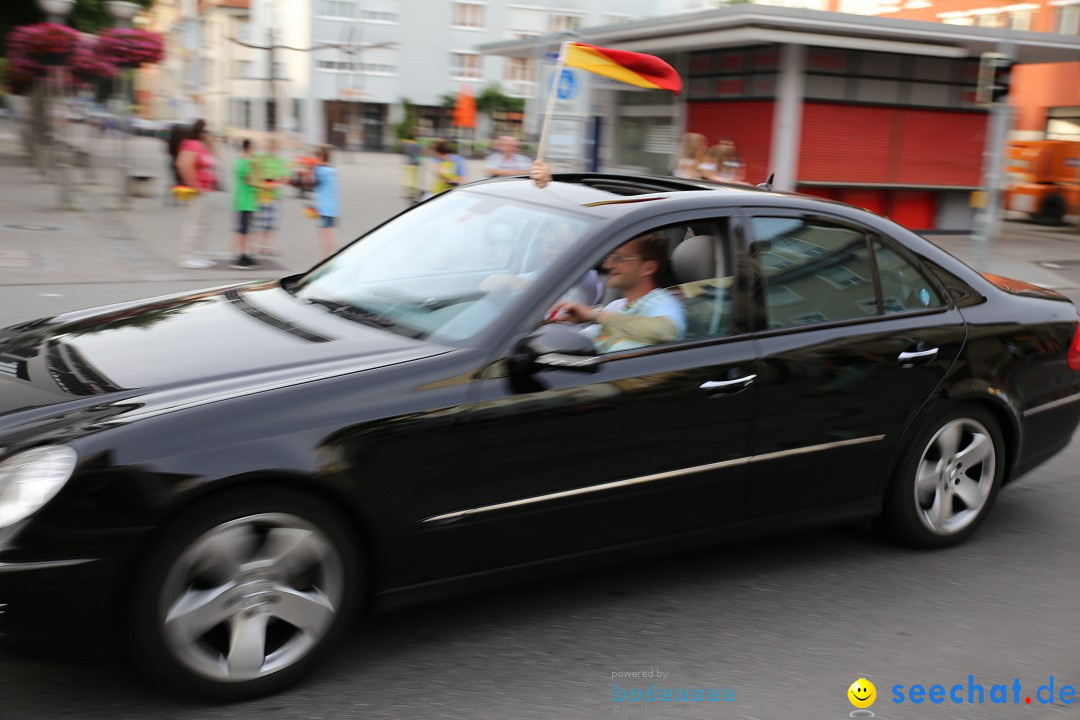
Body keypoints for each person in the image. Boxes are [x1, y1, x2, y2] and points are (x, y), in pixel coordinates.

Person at [550, 233, 686, 353]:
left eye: (619, 258)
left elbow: (666, 331)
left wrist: (593, 314)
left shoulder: (664, 303)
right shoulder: (616, 306)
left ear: (648, 268)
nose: (607, 265)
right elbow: (583, 341)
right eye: (610, 257)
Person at [175, 119, 220, 269]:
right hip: (197, 192)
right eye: (207, 132)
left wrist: (212, 145)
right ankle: (187, 257)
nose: (209, 135)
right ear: (201, 131)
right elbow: (182, 164)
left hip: (207, 190)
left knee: (203, 225)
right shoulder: (190, 145)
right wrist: (194, 184)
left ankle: (198, 254)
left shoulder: (204, 147)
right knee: (193, 224)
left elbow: (214, 162)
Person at [254, 138, 288, 256]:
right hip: (263, 195)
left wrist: (277, 183)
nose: (272, 150)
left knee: (272, 223)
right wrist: (263, 184)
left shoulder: (279, 161)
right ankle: (261, 245)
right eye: (270, 148)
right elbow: (256, 174)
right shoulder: (261, 158)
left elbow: (284, 177)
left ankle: (270, 246)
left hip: (274, 196)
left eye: (274, 148)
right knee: (261, 222)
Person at [231, 138, 259, 269]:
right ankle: (241, 256)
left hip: (247, 201)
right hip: (244, 201)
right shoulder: (244, 162)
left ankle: (245, 253)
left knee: (246, 230)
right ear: (248, 148)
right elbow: (249, 179)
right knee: (243, 230)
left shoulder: (242, 161)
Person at [313, 146, 339, 258]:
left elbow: (312, 182)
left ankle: (326, 258)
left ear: (321, 157)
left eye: (316, 157)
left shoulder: (320, 170)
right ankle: (329, 256)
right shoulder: (332, 170)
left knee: (325, 234)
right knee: (326, 233)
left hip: (324, 208)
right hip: (331, 208)